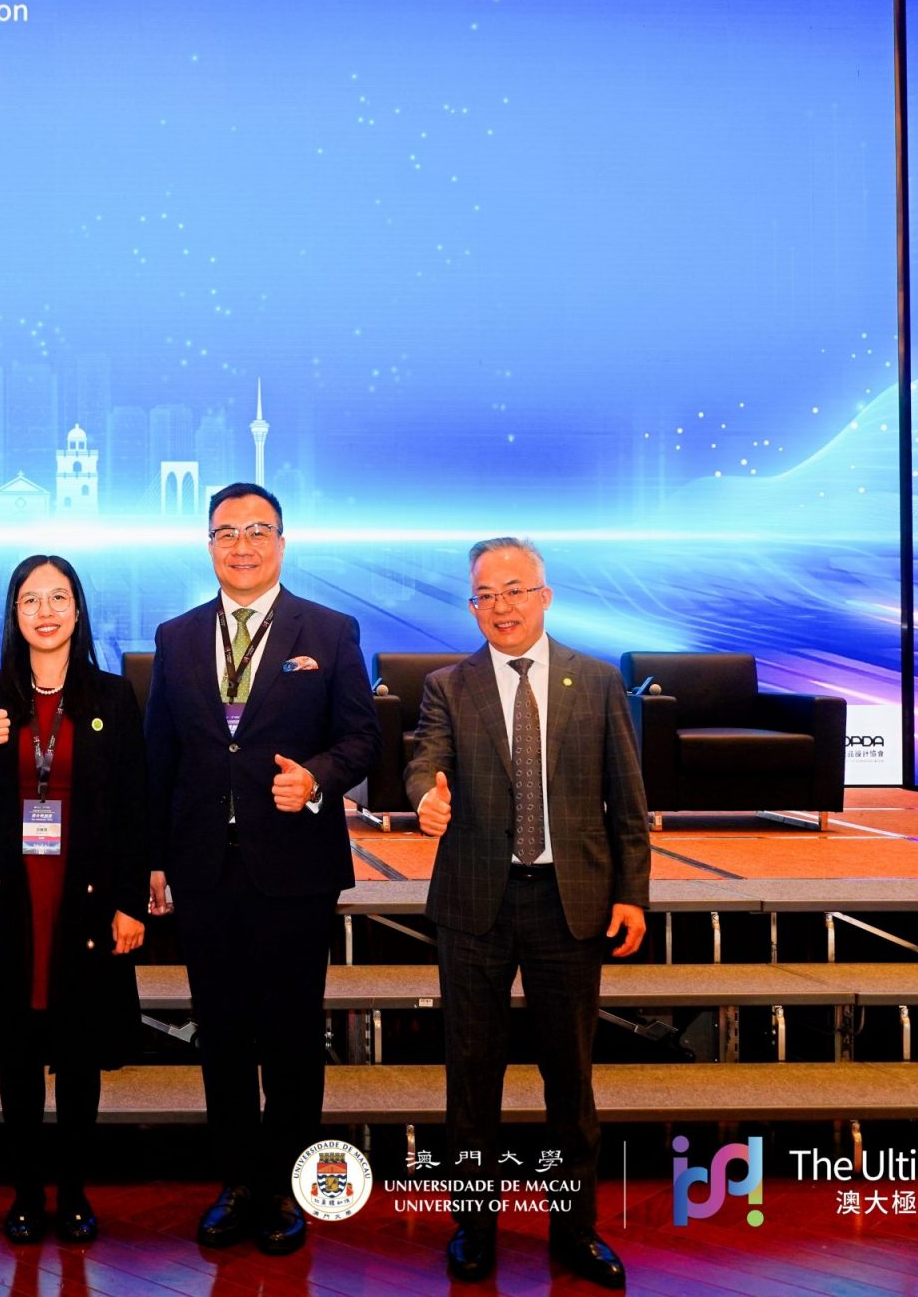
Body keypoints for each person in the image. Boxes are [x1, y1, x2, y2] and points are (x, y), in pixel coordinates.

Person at [143, 481, 381, 1255]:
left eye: (257, 530)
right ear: (208, 543)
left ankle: (286, 1188)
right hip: (203, 867)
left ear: (281, 541)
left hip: (296, 866)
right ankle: (237, 1182)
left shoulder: (331, 630)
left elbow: (362, 739)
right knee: (220, 1034)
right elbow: (160, 755)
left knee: (290, 1035)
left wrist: (316, 778)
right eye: (226, 532)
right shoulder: (176, 636)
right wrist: (153, 859)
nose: (241, 545)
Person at [406, 537, 649, 1289]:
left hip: (569, 902)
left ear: (544, 596)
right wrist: (426, 799)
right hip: (474, 902)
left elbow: (627, 801)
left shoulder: (597, 681)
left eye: (515, 590)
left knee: (569, 1078)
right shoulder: (448, 685)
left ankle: (574, 1230)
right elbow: (424, 761)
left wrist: (632, 894)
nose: (501, 606)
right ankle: (473, 1227)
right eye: (485, 594)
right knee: (471, 1075)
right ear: (471, 606)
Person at [0, 555, 148, 1245]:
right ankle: (27, 1193)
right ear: (14, 613)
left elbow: (133, 806)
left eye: (59, 598)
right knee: (19, 1048)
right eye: (31, 599)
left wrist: (130, 901)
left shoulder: (112, 697)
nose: (46, 611)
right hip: (9, 893)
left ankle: (76, 1193)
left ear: (78, 610)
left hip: (85, 891)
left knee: (80, 1048)